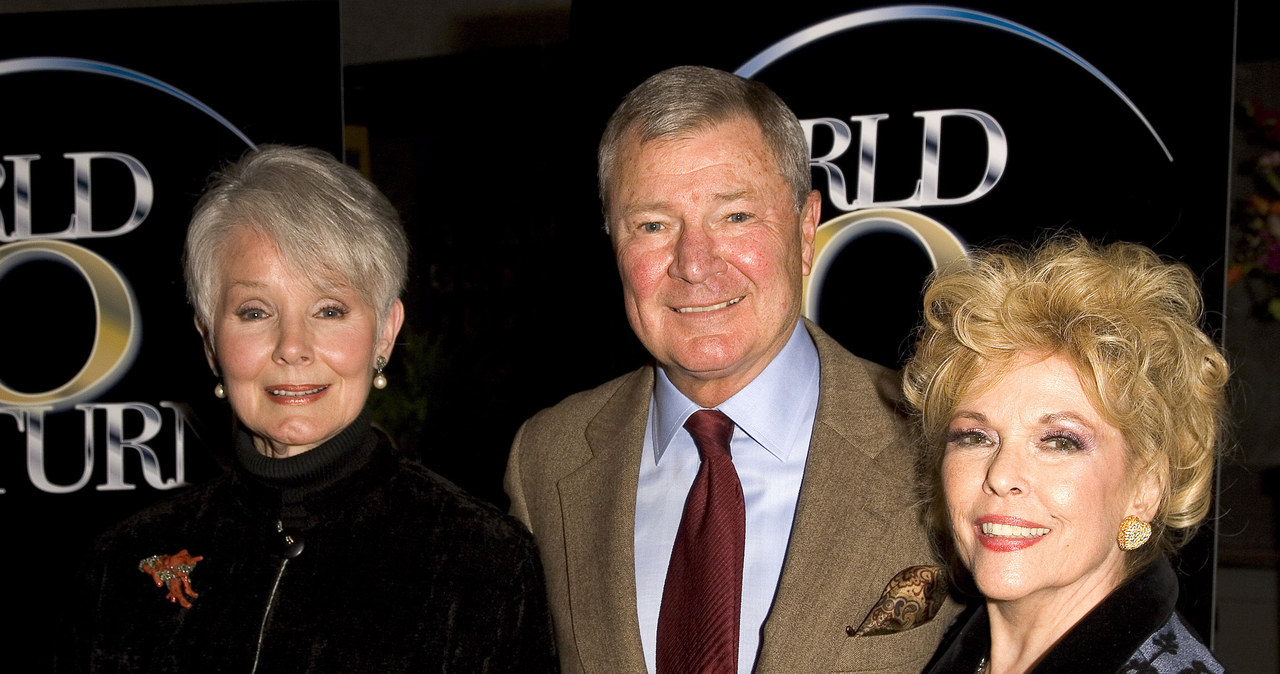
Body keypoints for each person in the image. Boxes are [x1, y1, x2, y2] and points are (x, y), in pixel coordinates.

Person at [505, 65, 958, 673]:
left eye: (735, 217)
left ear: (804, 231)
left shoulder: (940, 442)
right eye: (653, 225)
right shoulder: (547, 458)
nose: (694, 264)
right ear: (613, 243)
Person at [60, 145, 557, 673]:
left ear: (385, 332)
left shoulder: (482, 564)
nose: (292, 346)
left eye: (329, 309)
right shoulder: (124, 564)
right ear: (209, 342)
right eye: (255, 312)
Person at [902, 236, 1229, 673]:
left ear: (1146, 486)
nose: (1001, 474)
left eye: (1059, 441)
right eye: (975, 436)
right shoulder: (941, 647)